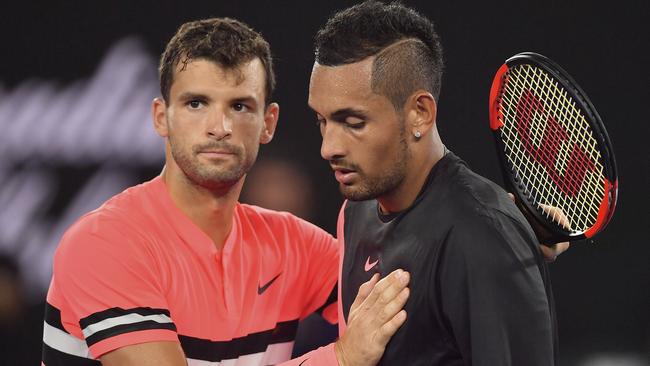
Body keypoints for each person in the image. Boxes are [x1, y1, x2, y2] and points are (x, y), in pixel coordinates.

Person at [41, 17, 409, 366]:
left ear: (268, 124)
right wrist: (342, 358)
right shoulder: (105, 244)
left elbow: (408, 305)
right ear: (160, 117)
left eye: (239, 106)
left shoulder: (292, 246)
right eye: (196, 103)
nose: (219, 127)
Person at [308, 1, 562, 365]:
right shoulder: (355, 209)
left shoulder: (480, 236)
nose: (328, 147)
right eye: (322, 120)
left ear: (419, 113)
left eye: (353, 122)